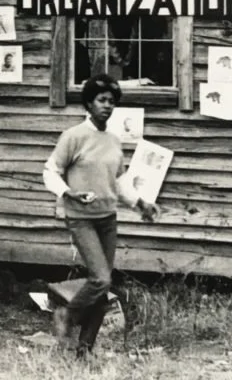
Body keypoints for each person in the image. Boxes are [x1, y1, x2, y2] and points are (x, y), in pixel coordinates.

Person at [42, 74, 159, 356]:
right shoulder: (73, 136)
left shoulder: (113, 141)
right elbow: (50, 171)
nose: (107, 106)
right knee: (101, 280)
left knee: (102, 288)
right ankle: (66, 316)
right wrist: (68, 192)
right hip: (81, 218)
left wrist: (140, 203)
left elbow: (118, 183)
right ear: (89, 103)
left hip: (107, 219)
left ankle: (84, 349)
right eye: (101, 100)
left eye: (111, 101)